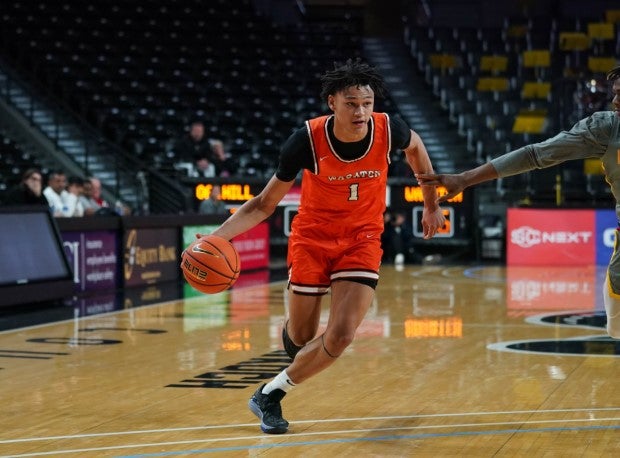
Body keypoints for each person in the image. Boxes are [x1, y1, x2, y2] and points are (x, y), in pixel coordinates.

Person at [203, 59, 445, 434]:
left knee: (343, 333)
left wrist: (431, 203)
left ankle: (269, 394)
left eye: (366, 102)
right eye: (351, 103)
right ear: (331, 102)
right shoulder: (306, 140)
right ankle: (295, 338)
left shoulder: (387, 127)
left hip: (362, 238)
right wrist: (217, 238)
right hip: (312, 239)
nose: (361, 111)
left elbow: (417, 148)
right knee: (302, 338)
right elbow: (264, 204)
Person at [416, 65, 620, 339]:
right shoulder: (607, 128)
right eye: (615, 94)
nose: (616, 101)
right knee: (616, 328)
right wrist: (465, 179)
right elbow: (536, 154)